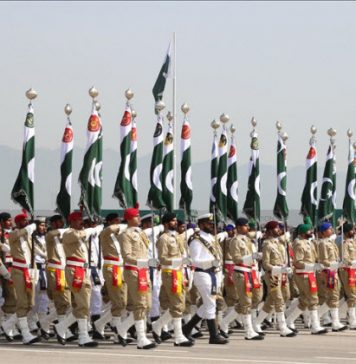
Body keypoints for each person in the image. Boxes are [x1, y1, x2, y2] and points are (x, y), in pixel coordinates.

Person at [54, 211, 102, 347]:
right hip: (75, 271)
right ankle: (83, 336)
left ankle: (62, 327)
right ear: (72, 221)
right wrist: (92, 229)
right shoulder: (69, 233)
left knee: (83, 304)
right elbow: (80, 234)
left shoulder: (80, 235)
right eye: (78, 220)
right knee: (83, 304)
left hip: (83, 270)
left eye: (82, 220)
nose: (81, 222)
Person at [183, 213, 228, 345]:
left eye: (212, 224)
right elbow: (194, 261)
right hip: (202, 273)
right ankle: (213, 335)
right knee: (210, 304)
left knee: (208, 304)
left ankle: (187, 328)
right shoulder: (196, 240)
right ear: (201, 225)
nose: (212, 226)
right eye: (209, 224)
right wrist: (210, 263)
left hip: (213, 274)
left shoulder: (211, 238)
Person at [151, 212, 193, 347]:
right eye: (173, 221)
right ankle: (178, 336)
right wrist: (179, 261)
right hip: (170, 273)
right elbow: (162, 258)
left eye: (175, 220)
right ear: (166, 223)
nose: (175, 223)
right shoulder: (163, 238)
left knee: (180, 304)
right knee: (177, 303)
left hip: (179, 272)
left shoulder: (176, 237)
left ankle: (158, 325)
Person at [118, 205, 156, 349]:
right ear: (128, 219)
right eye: (136, 216)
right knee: (140, 304)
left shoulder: (141, 233)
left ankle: (122, 328)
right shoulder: (125, 235)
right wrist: (143, 262)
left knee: (147, 305)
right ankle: (141, 338)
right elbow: (127, 256)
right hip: (134, 271)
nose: (139, 218)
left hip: (144, 271)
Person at [220, 217, 263, 340]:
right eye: (246, 226)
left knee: (254, 299)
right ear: (239, 228)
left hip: (250, 272)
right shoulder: (235, 241)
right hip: (240, 272)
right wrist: (251, 257)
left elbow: (254, 234)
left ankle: (224, 322)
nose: (248, 228)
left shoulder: (248, 240)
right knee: (246, 302)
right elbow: (236, 259)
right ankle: (249, 331)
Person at [253, 220, 296, 337]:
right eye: (277, 228)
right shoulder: (267, 245)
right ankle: (282, 327)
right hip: (272, 275)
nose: (279, 230)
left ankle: (256, 322)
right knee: (278, 299)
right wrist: (279, 269)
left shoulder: (279, 243)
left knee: (283, 296)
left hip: (282, 274)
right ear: (271, 230)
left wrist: (287, 267)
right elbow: (266, 264)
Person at [93, 213, 129, 345]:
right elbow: (110, 229)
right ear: (108, 222)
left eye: (118, 220)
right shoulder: (105, 233)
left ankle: (100, 323)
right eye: (115, 221)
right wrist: (125, 225)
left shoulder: (120, 236)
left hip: (121, 269)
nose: (117, 223)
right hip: (111, 268)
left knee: (123, 302)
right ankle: (117, 333)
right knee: (118, 302)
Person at [286, 222, 327, 334]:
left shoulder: (309, 243)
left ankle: (289, 320)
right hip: (303, 274)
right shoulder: (299, 244)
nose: (312, 232)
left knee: (304, 300)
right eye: (309, 231)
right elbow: (297, 262)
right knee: (313, 299)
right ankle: (315, 326)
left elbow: (315, 258)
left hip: (310, 273)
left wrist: (321, 264)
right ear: (304, 233)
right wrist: (312, 266)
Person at [8, 212, 40, 344]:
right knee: (22, 302)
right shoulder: (13, 234)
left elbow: (33, 253)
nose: (26, 222)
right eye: (23, 221)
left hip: (29, 270)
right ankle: (25, 334)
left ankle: (7, 325)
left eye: (27, 220)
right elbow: (21, 233)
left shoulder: (28, 237)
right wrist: (29, 227)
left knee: (30, 304)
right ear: (18, 222)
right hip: (18, 271)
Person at [45, 214, 74, 342]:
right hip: (55, 270)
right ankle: (62, 331)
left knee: (68, 302)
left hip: (65, 270)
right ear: (53, 223)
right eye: (59, 222)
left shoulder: (64, 237)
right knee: (61, 302)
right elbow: (53, 234)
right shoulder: (50, 236)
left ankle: (48, 323)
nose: (62, 224)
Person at [317, 222, 347, 332]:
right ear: (324, 232)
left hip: (334, 271)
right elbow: (323, 260)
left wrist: (339, 263)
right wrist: (334, 264)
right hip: (328, 272)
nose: (332, 230)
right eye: (329, 229)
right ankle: (335, 322)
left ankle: (316, 317)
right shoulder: (323, 244)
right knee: (333, 297)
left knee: (334, 296)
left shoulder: (331, 242)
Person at [0, 212, 21, 341]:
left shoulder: (10, 234)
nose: (10, 222)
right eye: (8, 220)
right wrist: (6, 274)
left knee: (11, 298)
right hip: (4, 269)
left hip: (9, 268)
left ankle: (9, 326)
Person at [340, 223, 356, 329]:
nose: (354, 231)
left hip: (353, 270)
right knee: (352, 296)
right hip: (347, 271)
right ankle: (352, 321)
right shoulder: (345, 243)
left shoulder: (353, 242)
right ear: (346, 232)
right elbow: (345, 259)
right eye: (352, 230)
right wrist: (353, 262)